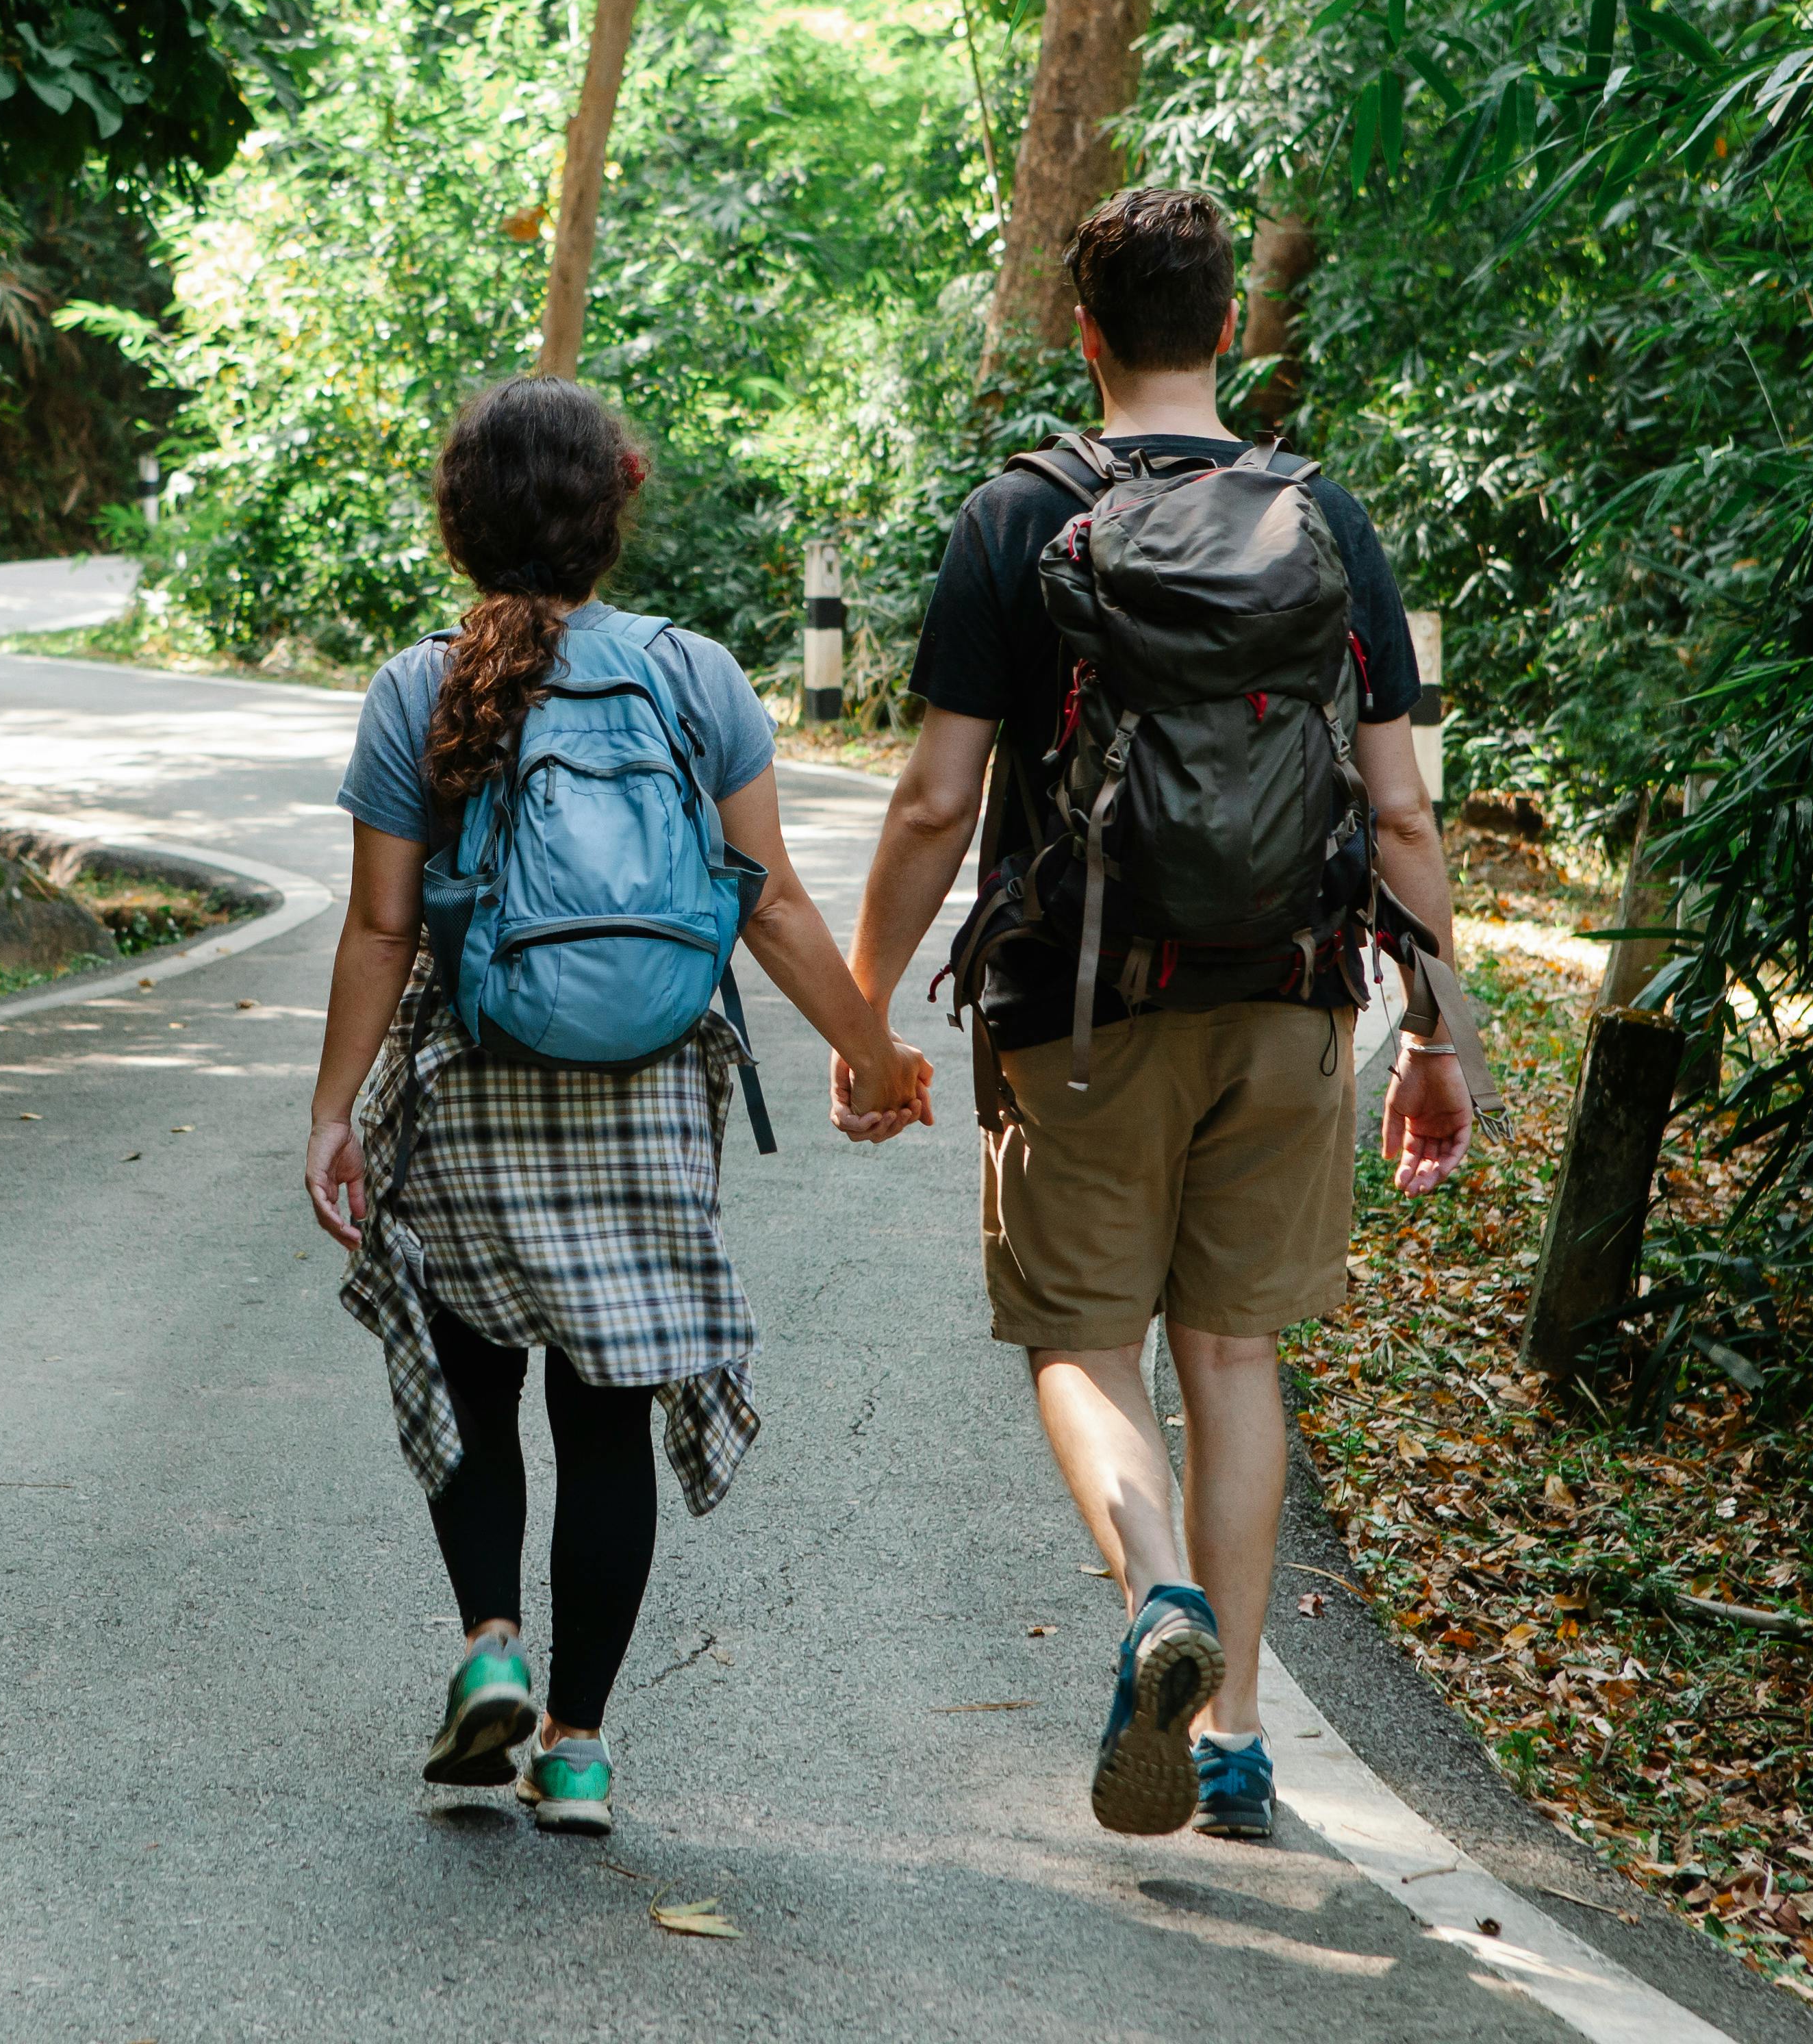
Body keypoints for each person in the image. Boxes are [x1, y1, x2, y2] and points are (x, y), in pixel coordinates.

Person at [832, 185, 1475, 1843]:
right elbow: (1400, 813)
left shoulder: (1016, 518)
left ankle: (1155, 1594)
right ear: (1234, 332)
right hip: (1291, 996)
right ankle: (1239, 1739)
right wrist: (1440, 1030)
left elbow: (929, 804)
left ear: (1085, 331)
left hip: (1081, 1013)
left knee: (1080, 1338)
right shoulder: (1322, 516)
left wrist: (862, 1012)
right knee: (1237, 1348)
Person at [306, 375, 930, 1837]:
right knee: (604, 1423)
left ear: (461, 522)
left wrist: (336, 1109)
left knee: (474, 1383)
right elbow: (765, 907)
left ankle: (489, 1650)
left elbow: (383, 931)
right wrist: (871, 1048)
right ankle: (576, 1749)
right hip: (651, 1098)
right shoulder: (698, 676)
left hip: (472, 1087)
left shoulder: (420, 686)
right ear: (614, 511)